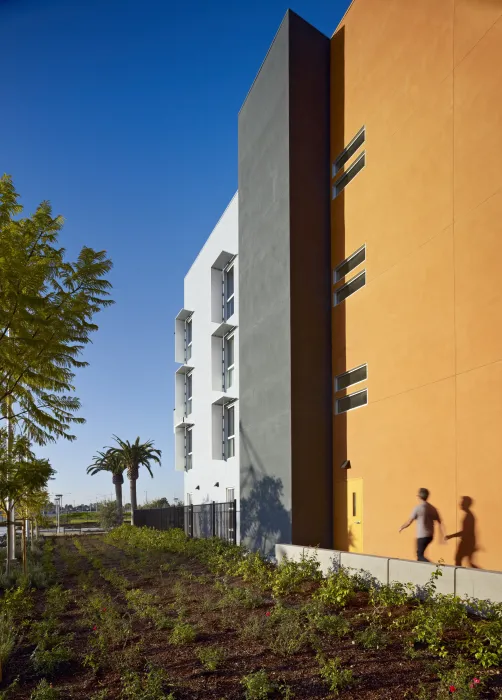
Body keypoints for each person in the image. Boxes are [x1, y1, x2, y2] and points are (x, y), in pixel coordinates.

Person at [399, 488, 446, 562]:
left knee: (420, 556)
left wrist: (402, 527)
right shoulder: (432, 508)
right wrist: (442, 535)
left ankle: (433, 568)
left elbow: (409, 522)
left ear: (418, 496)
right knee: (420, 555)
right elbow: (440, 521)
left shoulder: (418, 508)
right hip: (430, 536)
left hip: (422, 535)